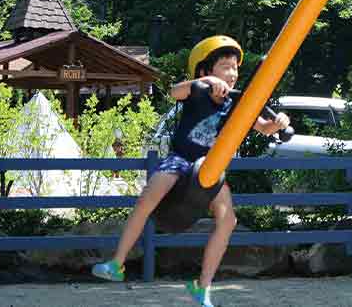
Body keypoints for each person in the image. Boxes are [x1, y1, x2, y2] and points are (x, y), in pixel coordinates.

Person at [91, 35, 291, 307]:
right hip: (181, 159)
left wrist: (278, 123)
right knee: (149, 195)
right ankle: (118, 262)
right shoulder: (197, 91)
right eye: (224, 67)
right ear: (205, 70)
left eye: (235, 68)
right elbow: (174, 91)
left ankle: (202, 286)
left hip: (211, 168)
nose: (232, 73)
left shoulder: (237, 105)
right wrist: (205, 83)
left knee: (228, 220)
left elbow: (265, 128)